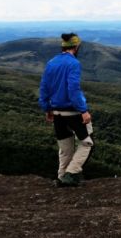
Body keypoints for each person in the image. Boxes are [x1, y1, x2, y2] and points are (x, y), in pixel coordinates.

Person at [39, 33, 94, 187]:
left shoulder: (51, 63)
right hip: (73, 111)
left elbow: (44, 88)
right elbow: (73, 89)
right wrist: (83, 110)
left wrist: (47, 108)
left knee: (65, 147)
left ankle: (62, 177)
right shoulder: (73, 64)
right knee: (87, 143)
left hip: (56, 112)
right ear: (76, 47)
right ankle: (72, 173)